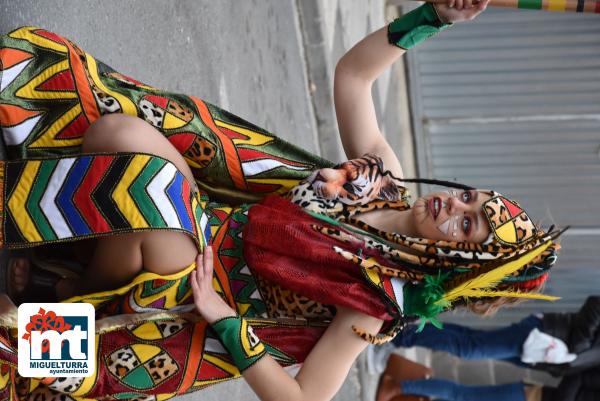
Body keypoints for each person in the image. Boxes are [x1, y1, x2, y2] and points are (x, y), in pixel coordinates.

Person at [0, 1, 563, 400]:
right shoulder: (384, 178)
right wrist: (433, 18)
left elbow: (304, 398)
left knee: (151, 197)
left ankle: (75, 300)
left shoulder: (378, 305)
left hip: (191, 290)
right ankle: (74, 270)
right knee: (116, 136)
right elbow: (351, 78)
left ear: (459, 262)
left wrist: (226, 324)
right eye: (469, 198)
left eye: (467, 228)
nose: (455, 207)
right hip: (203, 216)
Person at [370, 296, 600, 401]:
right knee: (469, 348)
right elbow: (595, 305)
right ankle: (396, 338)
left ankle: (400, 335)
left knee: (470, 342)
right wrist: (577, 348)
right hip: (547, 335)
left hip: (545, 356)